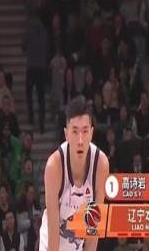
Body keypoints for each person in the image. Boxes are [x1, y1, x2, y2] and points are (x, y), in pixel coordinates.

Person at [40, 100, 109, 251]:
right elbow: (53, 229)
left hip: (76, 244)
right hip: (51, 244)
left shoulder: (101, 164)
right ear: (66, 134)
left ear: (91, 133)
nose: (80, 140)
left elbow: (94, 229)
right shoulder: (54, 166)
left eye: (85, 131)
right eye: (75, 131)